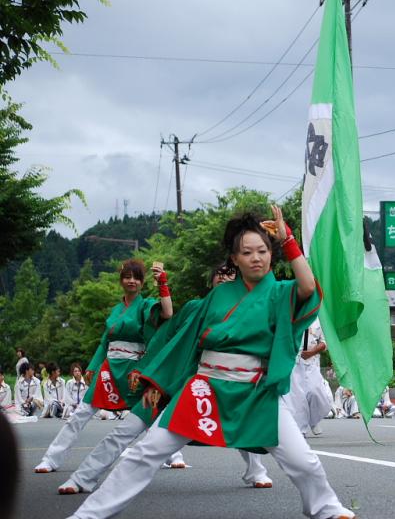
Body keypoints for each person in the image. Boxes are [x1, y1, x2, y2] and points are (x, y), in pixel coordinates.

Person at [66, 208, 355, 519]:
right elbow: (183, 343)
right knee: (145, 451)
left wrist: (288, 241)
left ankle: (326, 508)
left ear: (272, 254)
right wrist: (158, 382)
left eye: (262, 251)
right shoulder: (215, 299)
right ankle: (89, 515)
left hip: (255, 392)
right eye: (246, 252)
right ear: (234, 258)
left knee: (303, 461)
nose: (256, 258)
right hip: (205, 387)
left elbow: (309, 288)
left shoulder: (281, 293)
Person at [56, 263, 272, 495]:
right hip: (172, 380)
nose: (224, 278)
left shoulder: (247, 312)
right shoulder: (194, 308)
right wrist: (146, 372)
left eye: (230, 275)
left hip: (218, 382)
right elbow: (165, 336)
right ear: (211, 282)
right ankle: (83, 477)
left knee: (241, 423)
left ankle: (256, 471)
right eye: (219, 274)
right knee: (128, 428)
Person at [34, 258, 173, 473]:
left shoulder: (145, 305)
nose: (132, 281)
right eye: (127, 276)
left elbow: (167, 313)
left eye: (137, 277)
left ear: (143, 282)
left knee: (151, 411)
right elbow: (104, 342)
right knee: (81, 412)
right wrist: (92, 366)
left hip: (134, 371)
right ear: (121, 280)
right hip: (109, 369)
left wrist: (162, 282)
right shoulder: (115, 310)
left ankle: (172, 454)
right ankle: (51, 459)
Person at [286, 318, 335, 435]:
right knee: (298, 396)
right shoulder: (291, 313)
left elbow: (324, 342)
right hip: (294, 361)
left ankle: (314, 420)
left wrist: (311, 352)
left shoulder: (319, 319)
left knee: (316, 393)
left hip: (312, 361)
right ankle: (300, 429)